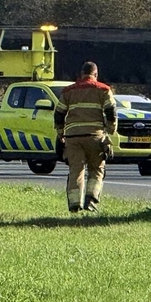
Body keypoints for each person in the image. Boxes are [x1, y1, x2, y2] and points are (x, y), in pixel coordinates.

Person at [55, 61, 117, 213]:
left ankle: (74, 203)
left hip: (73, 137)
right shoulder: (103, 90)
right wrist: (110, 130)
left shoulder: (68, 91)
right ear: (96, 74)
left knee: (76, 170)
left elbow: (59, 114)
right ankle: (91, 199)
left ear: (81, 74)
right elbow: (111, 112)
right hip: (95, 136)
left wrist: (60, 133)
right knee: (96, 169)